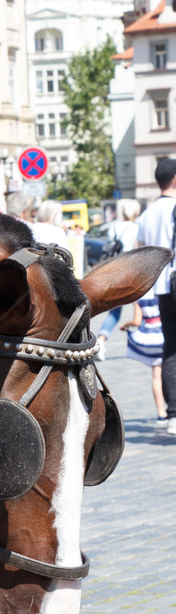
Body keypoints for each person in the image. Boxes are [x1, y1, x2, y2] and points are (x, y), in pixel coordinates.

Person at [135, 157, 176, 434]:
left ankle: (173, 413)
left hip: (160, 288)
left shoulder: (147, 214)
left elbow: (140, 252)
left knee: (170, 349)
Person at [97, 199, 142, 360]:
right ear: (136, 213)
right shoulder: (137, 228)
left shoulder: (114, 227)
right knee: (142, 303)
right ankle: (144, 340)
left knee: (115, 311)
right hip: (132, 272)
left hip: (115, 272)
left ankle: (101, 340)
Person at [121, 289, 167, 425]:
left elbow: (136, 321)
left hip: (150, 337)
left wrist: (125, 325)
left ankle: (161, 412)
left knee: (156, 376)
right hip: (165, 330)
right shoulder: (164, 290)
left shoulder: (139, 296)